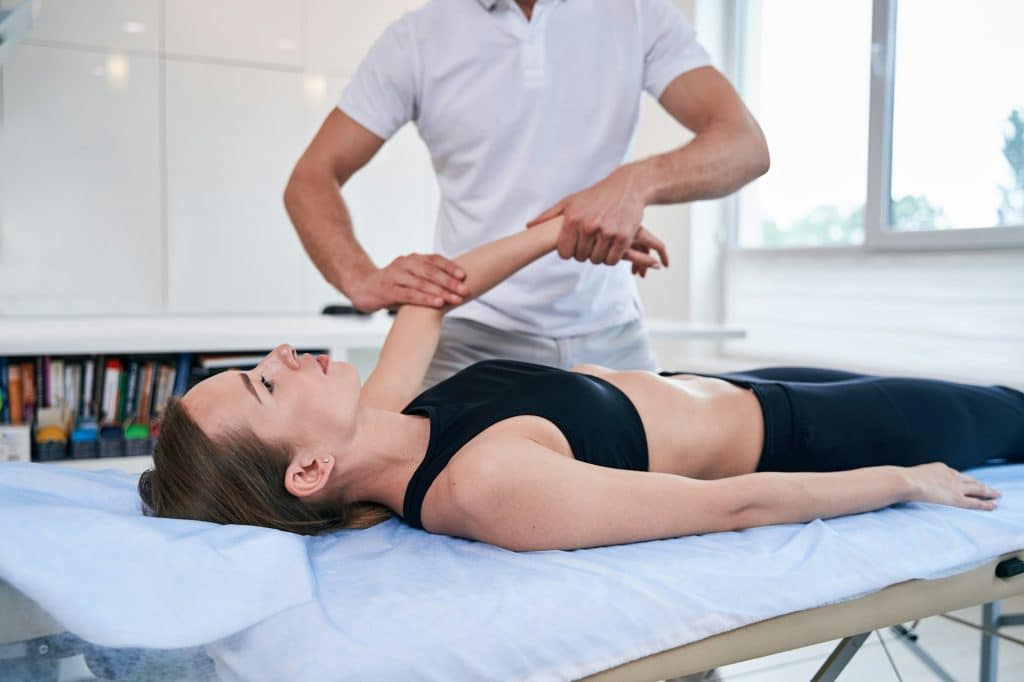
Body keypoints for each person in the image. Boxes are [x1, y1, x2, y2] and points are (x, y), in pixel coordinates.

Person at [138, 216, 1024, 551]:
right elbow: (733, 508)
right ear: (305, 474)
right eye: (265, 385)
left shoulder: (383, 416)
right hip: (803, 437)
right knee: (1009, 415)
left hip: (740, 387)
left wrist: (570, 227)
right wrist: (903, 481)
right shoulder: (478, 486)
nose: (285, 352)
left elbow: (445, 286)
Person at [283, 0, 770, 388]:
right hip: (468, 342)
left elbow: (744, 145)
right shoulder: (416, 40)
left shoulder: (638, 13)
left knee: (667, 495)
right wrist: (360, 279)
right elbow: (311, 179)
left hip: (611, 336)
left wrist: (634, 182)